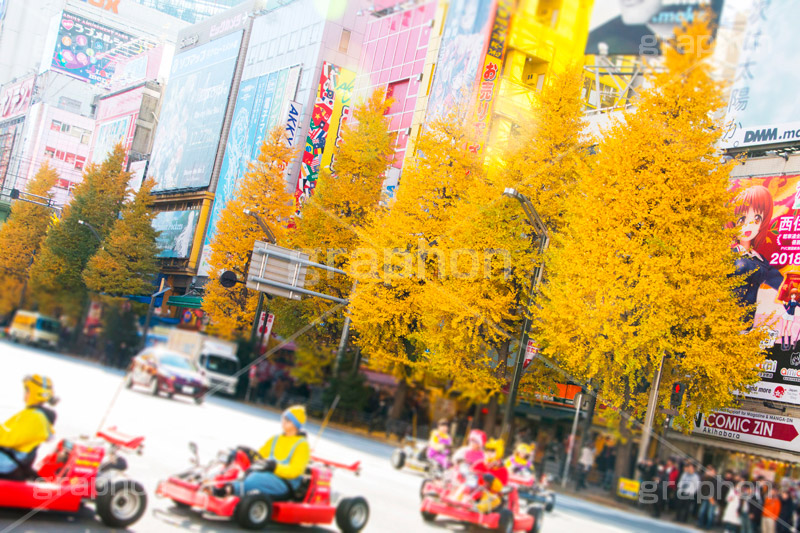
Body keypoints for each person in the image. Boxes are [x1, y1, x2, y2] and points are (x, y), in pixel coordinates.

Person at [231, 405, 310, 499]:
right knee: (238, 471)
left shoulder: (302, 445)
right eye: (283, 418)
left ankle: (229, 490)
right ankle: (221, 486)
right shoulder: (275, 439)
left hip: (285, 482)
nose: (284, 422)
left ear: (296, 425)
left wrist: (275, 467)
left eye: (288, 420)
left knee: (254, 479)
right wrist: (247, 454)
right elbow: (259, 456)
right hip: (269, 474)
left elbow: (295, 471)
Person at [0, 375, 58, 480]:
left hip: (8, 465)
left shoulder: (36, 417)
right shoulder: (31, 413)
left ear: (34, 394)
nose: (25, 394)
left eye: (27, 390)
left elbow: (10, 438)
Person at [471, 438, 509, 513]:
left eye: (492, 451)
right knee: (463, 488)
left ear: (498, 453)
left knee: (494, 498)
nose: (489, 453)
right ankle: (454, 501)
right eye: (487, 450)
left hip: (490, 492)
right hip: (474, 487)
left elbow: (500, 487)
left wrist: (492, 479)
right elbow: (469, 474)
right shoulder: (480, 463)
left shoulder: (502, 469)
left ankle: (477, 508)